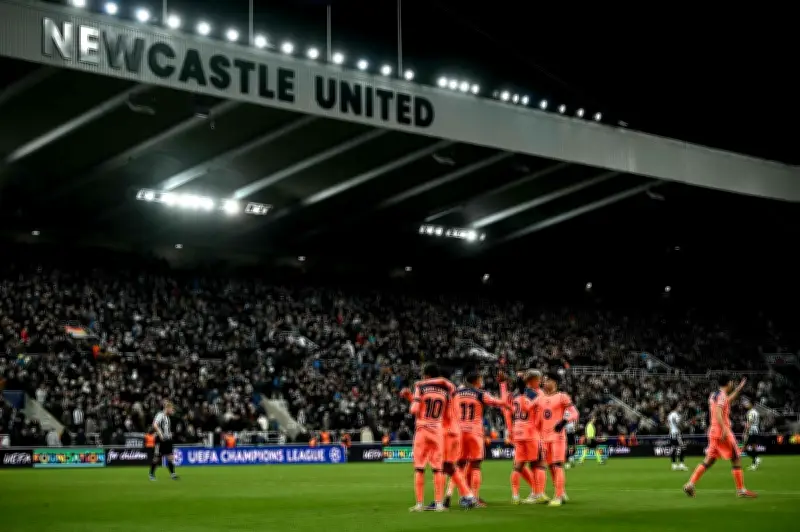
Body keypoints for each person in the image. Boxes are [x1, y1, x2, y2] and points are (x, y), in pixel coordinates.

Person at [405, 364, 475, 512]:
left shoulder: (421, 387)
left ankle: (420, 504)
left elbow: (416, 409)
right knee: (442, 468)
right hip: (441, 431)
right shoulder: (448, 391)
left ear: (428, 376)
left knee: (421, 468)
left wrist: (416, 390)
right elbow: (443, 412)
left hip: (435, 431)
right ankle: (440, 503)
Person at [683, 375, 756, 498]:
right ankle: (741, 490)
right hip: (722, 431)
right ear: (728, 383)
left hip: (713, 431)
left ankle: (690, 484)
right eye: (732, 382)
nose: (732, 384)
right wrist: (724, 430)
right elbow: (718, 412)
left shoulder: (714, 395)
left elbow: (727, 401)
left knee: (709, 460)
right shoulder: (721, 396)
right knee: (736, 458)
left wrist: (738, 389)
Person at [452, 371, 508, 507]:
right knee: (475, 465)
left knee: (460, 465)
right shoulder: (480, 394)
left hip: (459, 432)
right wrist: (502, 384)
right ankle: (475, 498)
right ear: (477, 380)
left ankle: (464, 496)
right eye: (481, 379)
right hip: (474, 432)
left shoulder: (456, 393)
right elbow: (503, 402)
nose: (482, 381)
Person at [501, 369, 549, 505]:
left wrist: (510, 432)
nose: (540, 382)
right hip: (531, 432)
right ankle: (539, 494)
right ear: (532, 380)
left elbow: (507, 413)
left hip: (518, 432)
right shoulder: (536, 394)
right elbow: (540, 415)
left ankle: (515, 496)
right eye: (539, 380)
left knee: (518, 465)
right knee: (539, 463)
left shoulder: (514, 395)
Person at [531, 372, 579, 506]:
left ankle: (558, 497)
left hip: (557, 437)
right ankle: (561, 492)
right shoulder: (540, 398)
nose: (544, 382)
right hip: (544, 438)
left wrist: (564, 421)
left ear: (554, 382)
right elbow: (534, 414)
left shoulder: (562, 396)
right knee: (551, 466)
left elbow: (575, 413)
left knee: (557, 465)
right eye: (544, 380)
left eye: (547, 380)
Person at [149, 401, 179, 481]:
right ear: (167, 408)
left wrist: (169, 434)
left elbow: (166, 428)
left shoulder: (167, 417)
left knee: (170, 457)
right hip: (160, 439)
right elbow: (154, 424)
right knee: (157, 457)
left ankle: (173, 474)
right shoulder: (160, 415)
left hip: (167, 439)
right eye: (171, 409)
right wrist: (160, 434)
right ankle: (151, 474)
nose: (172, 410)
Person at [742, 399, 762, 471]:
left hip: (751, 431)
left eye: (748, 403)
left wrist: (745, 432)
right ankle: (754, 465)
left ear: (751, 404)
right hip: (756, 430)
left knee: (744, 449)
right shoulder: (756, 412)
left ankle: (756, 458)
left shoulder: (750, 412)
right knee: (754, 447)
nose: (746, 405)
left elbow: (749, 423)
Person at [667, 404, 687, 471]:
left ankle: (674, 465)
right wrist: (684, 426)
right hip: (677, 433)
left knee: (674, 448)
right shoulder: (676, 415)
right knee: (682, 448)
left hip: (671, 433)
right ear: (676, 407)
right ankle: (681, 464)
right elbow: (678, 424)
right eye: (679, 406)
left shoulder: (670, 414)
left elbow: (669, 424)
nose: (681, 408)